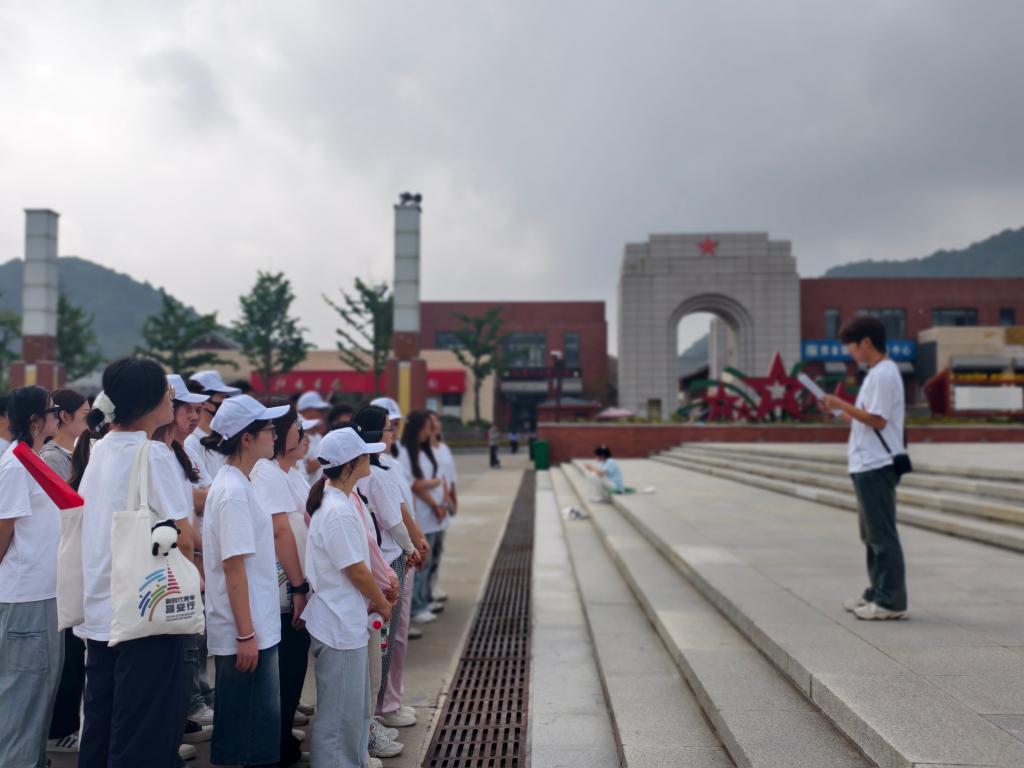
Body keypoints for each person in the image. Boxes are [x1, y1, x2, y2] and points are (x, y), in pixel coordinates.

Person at [77, 358, 196, 768]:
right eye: (167, 390)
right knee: (144, 733)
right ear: (148, 400)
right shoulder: (153, 454)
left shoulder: (101, 449)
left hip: (102, 609)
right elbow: (184, 536)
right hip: (146, 611)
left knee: (102, 725)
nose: (172, 397)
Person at [201, 394, 289, 767]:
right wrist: (245, 635)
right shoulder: (233, 492)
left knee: (249, 726)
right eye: (269, 429)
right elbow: (233, 568)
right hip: (247, 629)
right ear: (247, 438)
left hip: (253, 624)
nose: (275, 435)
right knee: (249, 734)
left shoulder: (238, 483)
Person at [303, 428, 391, 768]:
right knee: (340, 715)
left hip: (344, 619)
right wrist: (381, 602)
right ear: (351, 463)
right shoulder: (337, 509)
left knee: (352, 710)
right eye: (366, 455)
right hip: (338, 623)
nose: (371, 458)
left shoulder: (339, 500)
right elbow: (355, 569)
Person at [822, 316, 909, 621]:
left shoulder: (884, 374)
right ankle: (877, 592)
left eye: (852, 345)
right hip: (865, 463)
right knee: (871, 536)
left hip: (877, 464)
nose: (850, 352)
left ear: (867, 342)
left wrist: (842, 404)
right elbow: (865, 419)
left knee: (882, 536)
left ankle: (891, 601)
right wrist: (838, 411)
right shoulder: (875, 373)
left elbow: (878, 420)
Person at [153, 375, 217, 749]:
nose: (195, 416)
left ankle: (184, 714)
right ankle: (181, 716)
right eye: (186, 409)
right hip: (174, 567)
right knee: (180, 647)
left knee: (189, 645)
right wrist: (197, 559)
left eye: (199, 409)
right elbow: (189, 513)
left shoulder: (178, 452)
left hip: (190, 563)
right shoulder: (157, 454)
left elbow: (200, 501)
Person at [0, 386, 61, 768]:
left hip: (43, 593)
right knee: (23, 699)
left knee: (39, 694)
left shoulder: (30, 459)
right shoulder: (15, 465)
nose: (58, 416)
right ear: (36, 420)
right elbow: (3, 531)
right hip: (25, 596)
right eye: (53, 411)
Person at [353, 405, 424, 731]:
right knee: (383, 640)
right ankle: (378, 712)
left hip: (373, 560)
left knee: (378, 640)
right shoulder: (376, 475)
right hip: (388, 561)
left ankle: (377, 710)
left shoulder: (371, 471)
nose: (392, 433)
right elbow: (396, 521)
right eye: (387, 428)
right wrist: (411, 549)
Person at [249, 402, 312, 768]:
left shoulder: (287, 473)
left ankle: (282, 736)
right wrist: (299, 587)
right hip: (283, 589)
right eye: (293, 425)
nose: (299, 431)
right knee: (285, 669)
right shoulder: (267, 473)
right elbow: (279, 531)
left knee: (291, 669)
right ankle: (277, 745)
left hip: (292, 586)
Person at [39, 388, 90, 756]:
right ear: (65, 417)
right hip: (62, 566)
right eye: (85, 414)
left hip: (73, 563)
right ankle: (60, 729)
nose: (90, 421)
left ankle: (66, 725)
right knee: (69, 653)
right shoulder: (53, 459)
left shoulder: (72, 453)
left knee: (74, 652)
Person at [401, 411, 446, 626]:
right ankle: (416, 607)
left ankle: (424, 600)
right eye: (425, 428)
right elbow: (415, 485)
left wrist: (442, 502)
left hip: (434, 517)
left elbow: (441, 479)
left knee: (429, 564)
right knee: (419, 566)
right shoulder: (406, 454)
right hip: (421, 518)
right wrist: (434, 488)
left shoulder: (427, 452)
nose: (428, 432)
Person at [184, 369, 241, 480]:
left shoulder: (225, 438)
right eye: (221, 397)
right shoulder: (191, 442)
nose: (225, 401)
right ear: (204, 402)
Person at [428, 411, 457, 606]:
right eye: (433, 421)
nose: (437, 424)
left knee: (438, 549)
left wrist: (453, 500)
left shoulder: (444, 448)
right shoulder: (421, 451)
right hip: (430, 508)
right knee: (429, 553)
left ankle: (434, 585)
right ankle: (427, 592)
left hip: (444, 506)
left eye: (437, 420)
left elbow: (450, 478)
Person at [297, 391, 331, 486]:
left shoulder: (319, 437)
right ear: (305, 411)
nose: (323, 414)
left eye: (323, 411)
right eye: (319, 410)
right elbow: (304, 468)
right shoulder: (297, 437)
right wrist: (327, 457)